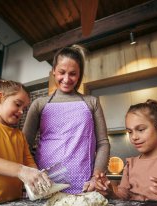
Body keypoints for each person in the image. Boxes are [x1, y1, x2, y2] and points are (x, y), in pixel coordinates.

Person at [22, 45, 110, 194]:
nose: (67, 79)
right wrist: (33, 174)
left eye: (73, 74)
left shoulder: (91, 102)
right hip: (45, 186)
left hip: (84, 186)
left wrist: (96, 177)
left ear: (80, 74)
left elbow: (102, 143)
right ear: (54, 72)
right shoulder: (40, 104)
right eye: (62, 72)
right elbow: (23, 145)